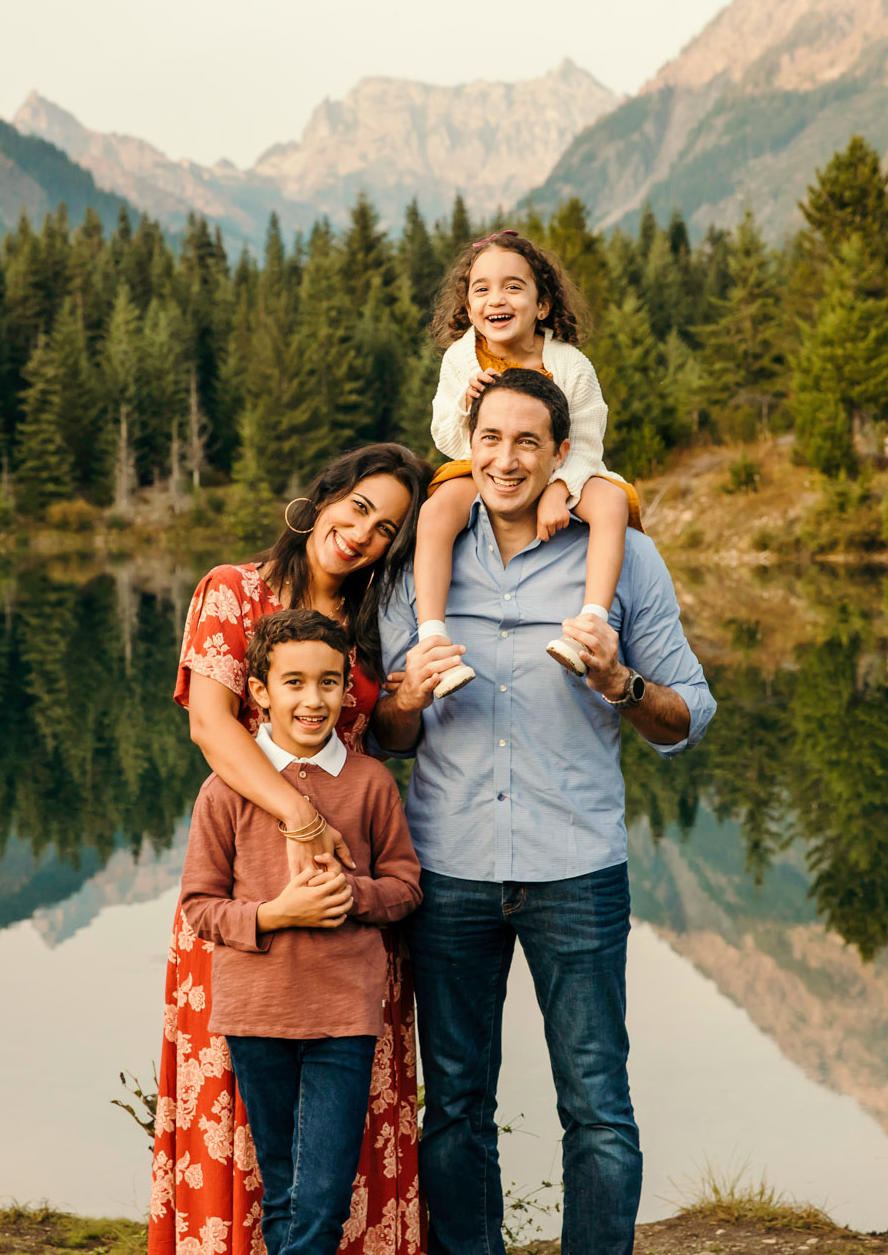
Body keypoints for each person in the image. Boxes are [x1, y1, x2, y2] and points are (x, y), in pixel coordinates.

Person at [373, 370, 717, 1255]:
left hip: (578, 870)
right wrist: (405, 695)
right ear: (468, 446)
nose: (507, 458)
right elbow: (391, 729)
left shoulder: (625, 559)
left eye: (529, 441)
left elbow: (688, 712)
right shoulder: (424, 565)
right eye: (491, 439)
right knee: (453, 1105)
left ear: (562, 454)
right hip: (448, 869)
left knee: (597, 1105)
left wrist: (620, 683)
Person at [152, 442, 432, 1255]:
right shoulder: (233, 590)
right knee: (253, 1105)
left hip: (349, 913)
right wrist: (300, 819)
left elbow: (387, 741)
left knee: (343, 1111)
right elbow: (211, 724)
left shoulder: (373, 625)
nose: (362, 534)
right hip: (253, 895)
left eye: (385, 529)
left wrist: (407, 700)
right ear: (325, 496)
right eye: (358, 509)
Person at [180, 608, 423, 1255]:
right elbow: (199, 905)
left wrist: (352, 897)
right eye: (293, 682)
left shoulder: (371, 783)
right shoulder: (226, 789)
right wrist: (275, 914)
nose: (312, 699)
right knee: (285, 1190)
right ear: (259, 691)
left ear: (349, 689)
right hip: (257, 1012)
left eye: (328, 682)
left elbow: (406, 886)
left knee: (321, 1195)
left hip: (344, 1013)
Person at [413, 230, 639, 698]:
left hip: (566, 465)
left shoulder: (570, 363)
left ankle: (589, 627)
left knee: (613, 501)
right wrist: (464, 402)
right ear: (469, 306)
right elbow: (449, 439)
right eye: (482, 289)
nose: (496, 298)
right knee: (436, 511)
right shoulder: (462, 358)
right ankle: (433, 637)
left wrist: (560, 488)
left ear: (542, 305)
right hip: (488, 470)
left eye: (513, 286)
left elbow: (588, 439)